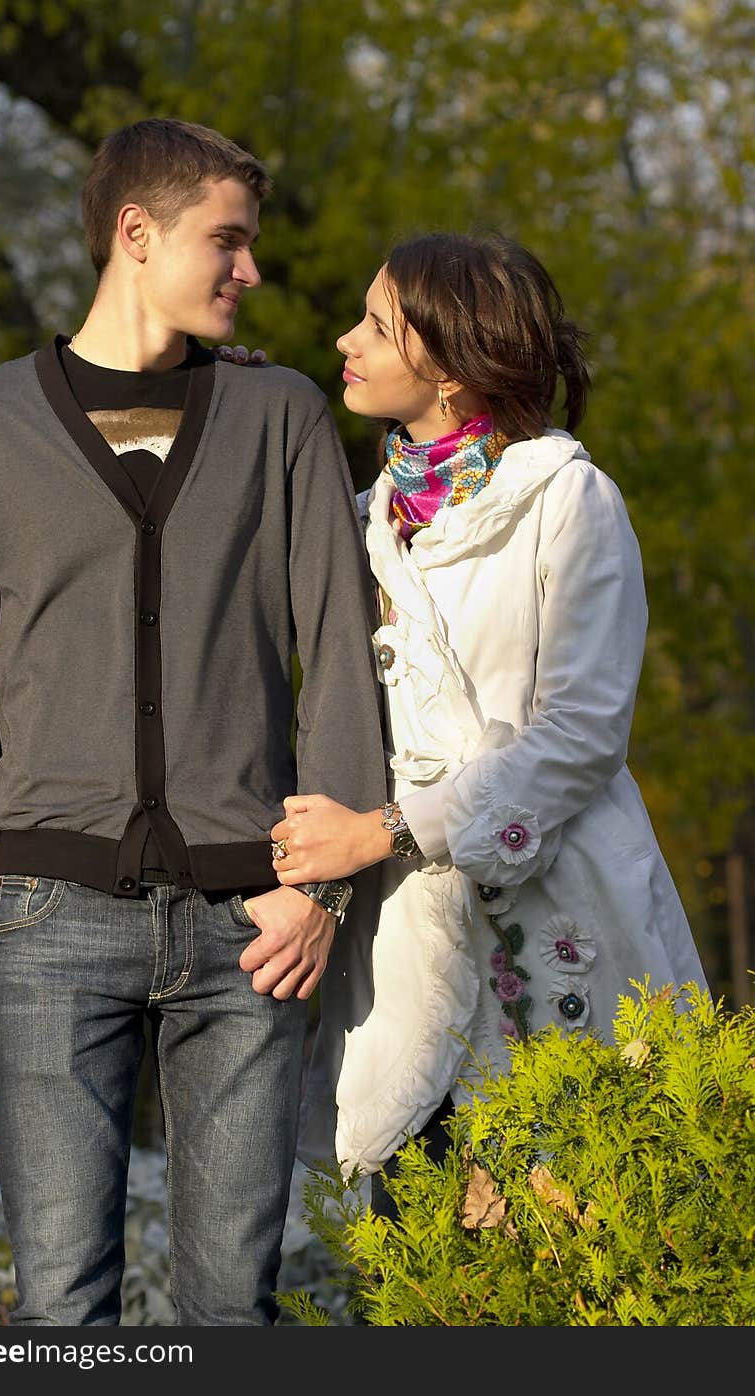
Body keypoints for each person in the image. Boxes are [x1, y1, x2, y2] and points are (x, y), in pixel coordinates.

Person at [0, 118, 387, 1324]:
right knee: (61, 1310)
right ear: (136, 234)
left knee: (231, 1309)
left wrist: (317, 891)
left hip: (250, 927)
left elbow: (342, 662)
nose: (250, 272)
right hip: (54, 921)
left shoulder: (283, 422)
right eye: (228, 242)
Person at [266, 231, 710, 1199]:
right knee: (419, 1258)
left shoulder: (569, 501)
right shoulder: (355, 526)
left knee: (585, 1255)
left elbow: (582, 733)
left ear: (457, 371)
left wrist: (382, 831)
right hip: (408, 946)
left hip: (567, 923)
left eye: (378, 326)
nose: (346, 340)